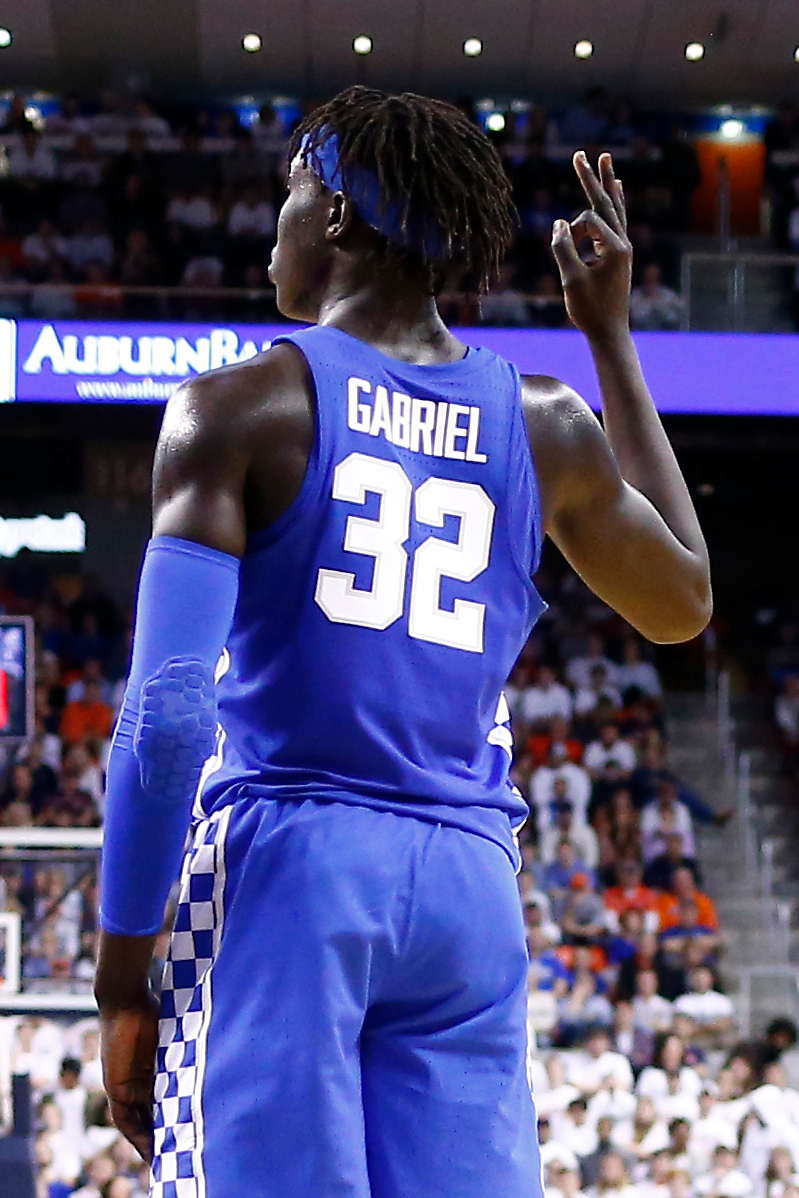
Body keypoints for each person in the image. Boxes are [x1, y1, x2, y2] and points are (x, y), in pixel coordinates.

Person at [94, 86, 712, 1195]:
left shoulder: (237, 409)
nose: (273, 223)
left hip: (290, 870)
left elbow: (170, 713)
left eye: (289, 193)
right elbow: (683, 601)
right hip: (469, 892)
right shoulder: (548, 424)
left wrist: (119, 982)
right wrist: (609, 338)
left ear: (334, 215)